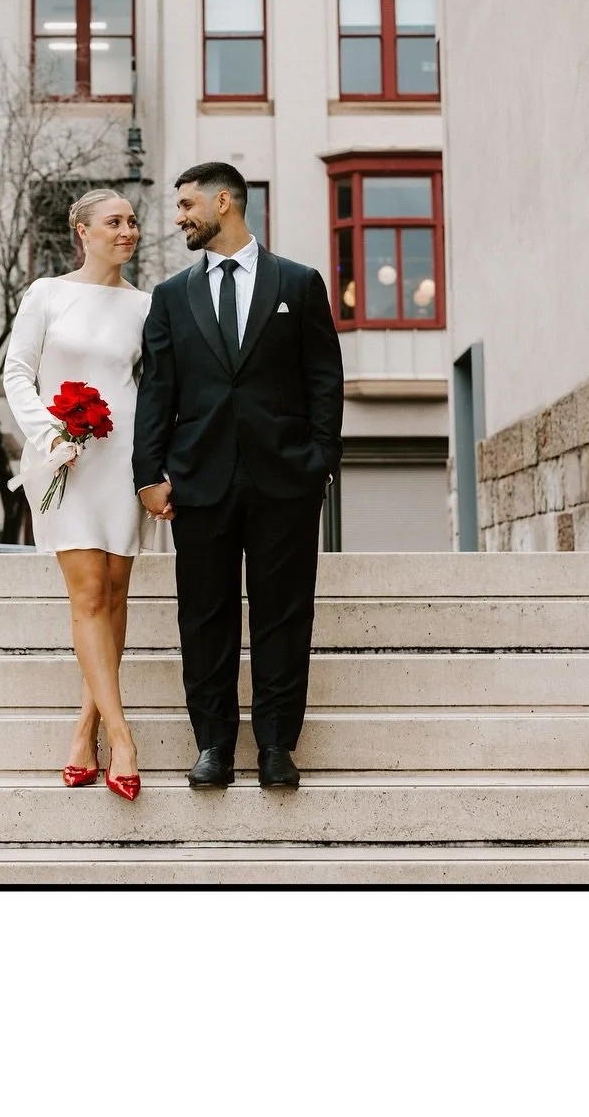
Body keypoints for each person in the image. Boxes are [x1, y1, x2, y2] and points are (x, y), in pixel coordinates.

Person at [133, 162, 344, 790]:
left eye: (186, 205)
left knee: (284, 614)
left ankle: (278, 746)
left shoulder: (299, 284)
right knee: (205, 616)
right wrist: (151, 472)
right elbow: (158, 390)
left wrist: (319, 462)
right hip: (200, 481)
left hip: (286, 480)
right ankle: (214, 746)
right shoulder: (171, 294)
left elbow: (323, 382)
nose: (178, 219)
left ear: (224, 202)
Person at [3, 189, 165, 802]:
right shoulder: (46, 294)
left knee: (116, 591)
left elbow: (155, 391)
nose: (128, 231)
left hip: (124, 456)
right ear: (82, 231)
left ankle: (85, 725)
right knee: (88, 592)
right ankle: (122, 737)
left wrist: (159, 468)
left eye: (131, 222)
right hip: (64, 454)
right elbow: (18, 371)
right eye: (114, 222)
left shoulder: (148, 306)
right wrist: (50, 433)